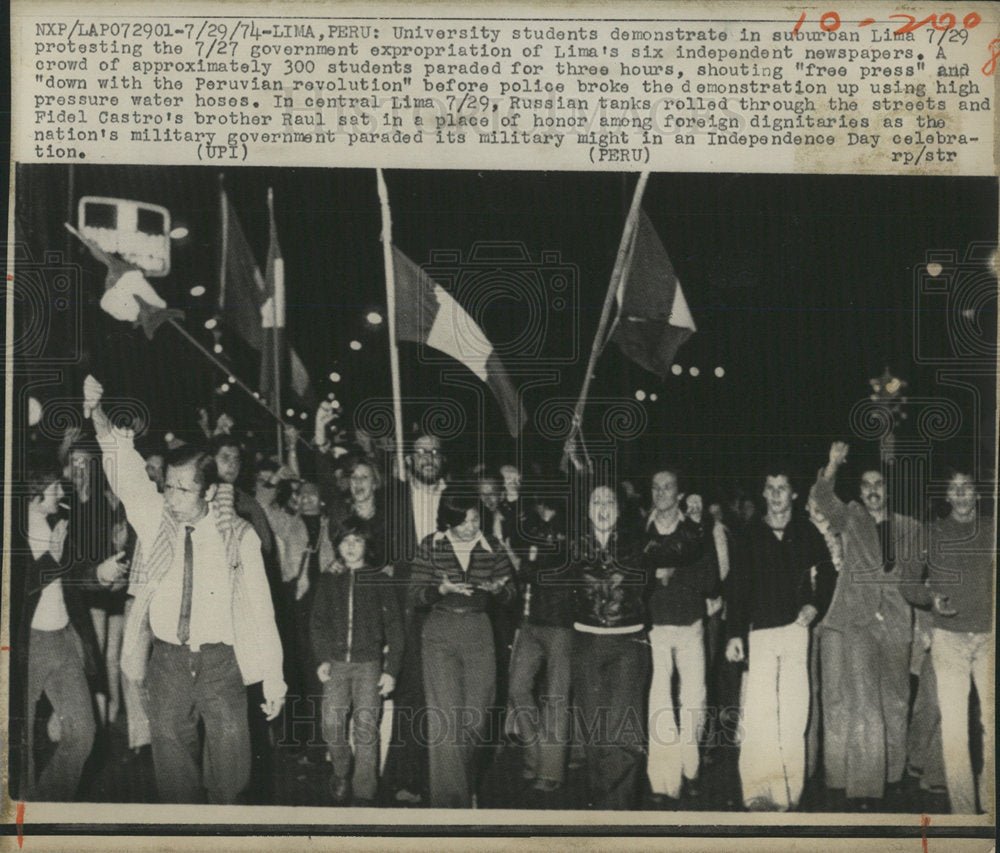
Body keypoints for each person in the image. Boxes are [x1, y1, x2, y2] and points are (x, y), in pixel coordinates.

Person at [89, 377, 285, 804]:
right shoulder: (157, 517)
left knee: (232, 780)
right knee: (175, 782)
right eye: (169, 486)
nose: (171, 497)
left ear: (210, 491)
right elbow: (125, 471)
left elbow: (262, 611)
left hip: (222, 665)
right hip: (169, 664)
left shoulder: (239, 535)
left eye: (183, 489)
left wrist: (274, 677)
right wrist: (97, 412)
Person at [809, 442, 920, 807]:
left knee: (897, 701)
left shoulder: (909, 528)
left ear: (888, 490)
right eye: (867, 485)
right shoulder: (852, 516)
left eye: (879, 485)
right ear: (860, 491)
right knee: (865, 703)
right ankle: (865, 788)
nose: (873, 490)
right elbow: (823, 496)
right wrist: (833, 463)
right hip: (858, 621)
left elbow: (918, 578)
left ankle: (894, 774)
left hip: (896, 624)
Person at [725, 465, 830, 811]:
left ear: (793, 494)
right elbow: (737, 587)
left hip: (796, 631)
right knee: (759, 714)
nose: (775, 493)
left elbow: (828, 573)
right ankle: (757, 792)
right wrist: (734, 634)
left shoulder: (807, 532)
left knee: (794, 712)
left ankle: (787, 794)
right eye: (770, 487)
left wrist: (815, 606)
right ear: (764, 492)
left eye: (782, 487)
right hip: (761, 633)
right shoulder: (749, 533)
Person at [409, 493, 515, 808]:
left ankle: (464, 782)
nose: (471, 527)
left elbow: (512, 592)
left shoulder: (492, 546)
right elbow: (415, 595)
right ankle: (450, 805)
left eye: (475, 519)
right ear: (448, 520)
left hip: (479, 630)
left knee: (478, 717)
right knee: (445, 720)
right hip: (440, 631)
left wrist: (499, 590)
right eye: (463, 521)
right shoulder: (431, 545)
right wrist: (440, 589)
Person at [9, 450, 104, 801]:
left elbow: (79, 574)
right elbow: (17, 591)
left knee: (83, 733)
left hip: (63, 638)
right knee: (20, 742)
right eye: (54, 488)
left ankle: (47, 802)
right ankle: (23, 817)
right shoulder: (14, 532)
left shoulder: (55, 526)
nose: (62, 494)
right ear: (37, 491)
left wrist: (103, 573)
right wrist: (51, 554)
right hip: (29, 644)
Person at [900, 467, 994, 815]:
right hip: (948, 641)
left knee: (992, 724)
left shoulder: (991, 529)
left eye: (967, 488)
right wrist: (930, 598)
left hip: (990, 639)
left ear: (977, 494)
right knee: (954, 729)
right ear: (947, 496)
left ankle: (992, 804)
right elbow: (907, 582)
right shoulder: (931, 532)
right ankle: (965, 814)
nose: (961, 494)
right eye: (954, 489)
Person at [570, 484, 654, 810]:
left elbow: (681, 545)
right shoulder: (574, 545)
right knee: (595, 732)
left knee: (625, 731)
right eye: (596, 501)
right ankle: (603, 805)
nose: (603, 507)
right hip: (587, 641)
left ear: (619, 510)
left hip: (628, 643)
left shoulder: (638, 543)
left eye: (609, 501)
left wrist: (692, 520)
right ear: (587, 509)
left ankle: (617, 813)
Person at [311, 524, 404, 805]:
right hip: (337, 664)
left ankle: (364, 794)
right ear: (337, 546)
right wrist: (322, 658)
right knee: (331, 722)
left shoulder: (380, 580)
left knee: (366, 729)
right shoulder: (329, 580)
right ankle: (341, 769)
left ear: (367, 546)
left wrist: (390, 670)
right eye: (345, 541)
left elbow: (395, 628)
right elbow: (317, 623)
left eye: (357, 540)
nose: (351, 546)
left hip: (369, 665)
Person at [642, 468, 713, 804]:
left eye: (668, 486)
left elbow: (711, 577)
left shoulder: (695, 528)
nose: (661, 492)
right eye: (655, 487)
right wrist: (655, 577)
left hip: (689, 623)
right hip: (655, 624)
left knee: (694, 699)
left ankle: (691, 768)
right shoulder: (641, 529)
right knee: (659, 699)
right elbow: (634, 575)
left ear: (679, 493)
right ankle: (663, 780)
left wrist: (675, 571)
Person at [506, 491, 573, 792]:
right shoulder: (527, 523)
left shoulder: (570, 527)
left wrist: (519, 564)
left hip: (560, 622)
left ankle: (551, 771)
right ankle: (535, 756)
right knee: (517, 687)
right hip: (529, 619)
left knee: (556, 698)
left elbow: (557, 571)